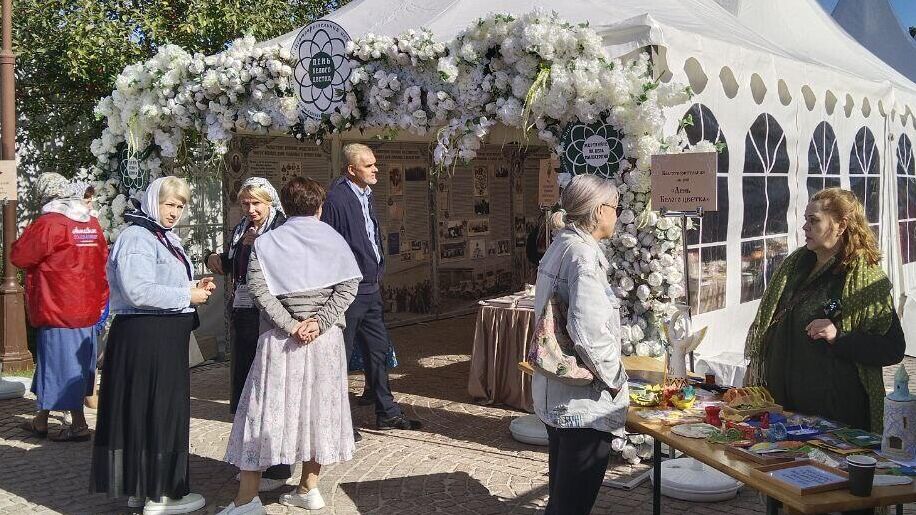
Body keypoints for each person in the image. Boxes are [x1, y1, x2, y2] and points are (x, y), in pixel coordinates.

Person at [219, 177, 361, 515]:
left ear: (284, 203)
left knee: (262, 412)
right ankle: (308, 488)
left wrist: (291, 324)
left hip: (280, 342)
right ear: (319, 206)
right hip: (324, 343)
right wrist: (320, 321)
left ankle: (246, 500)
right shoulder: (334, 239)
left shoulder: (267, 243)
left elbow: (258, 290)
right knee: (319, 411)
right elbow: (349, 286)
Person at [90, 176, 215, 515]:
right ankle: (161, 494)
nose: (174, 211)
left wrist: (191, 285)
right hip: (147, 336)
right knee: (156, 412)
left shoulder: (160, 236)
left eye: (180, 205)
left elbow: (157, 284)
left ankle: (144, 488)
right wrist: (187, 295)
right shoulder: (138, 236)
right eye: (169, 204)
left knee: (152, 411)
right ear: (152, 201)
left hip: (159, 335)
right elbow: (137, 291)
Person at [745, 187, 905, 432]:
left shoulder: (864, 278)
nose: (805, 228)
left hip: (834, 415)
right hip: (785, 409)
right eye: (805, 220)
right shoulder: (795, 266)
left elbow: (892, 349)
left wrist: (839, 337)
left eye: (814, 220)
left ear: (841, 225)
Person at [532, 174, 628, 515]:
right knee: (572, 503)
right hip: (580, 401)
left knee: (562, 497)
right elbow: (587, 330)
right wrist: (615, 378)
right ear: (600, 211)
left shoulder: (563, 243)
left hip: (557, 392)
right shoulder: (582, 256)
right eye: (616, 208)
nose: (617, 215)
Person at [321, 143, 421, 434]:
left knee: (378, 351)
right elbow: (330, 243)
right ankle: (338, 421)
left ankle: (386, 412)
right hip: (348, 291)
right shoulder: (336, 198)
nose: (376, 169)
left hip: (370, 288)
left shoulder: (365, 193)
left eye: (375, 164)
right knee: (340, 356)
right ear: (352, 170)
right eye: (369, 165)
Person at [205, 177, 290, 491]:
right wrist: (216, 260)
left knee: (269, 392)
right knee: (246, 391)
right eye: (246, 204)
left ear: (269, 202)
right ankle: (253, 462)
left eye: (257, 203)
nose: (251, 209)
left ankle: (277, 468)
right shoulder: (241, 228)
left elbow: (288, 268)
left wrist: (262, 245)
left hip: (270, 317)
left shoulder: (280, 227)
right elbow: (234, 264)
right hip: (243, 316)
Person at [11, 172, 109, 442]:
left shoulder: (49, 224)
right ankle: (41, 420)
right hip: (87, 305)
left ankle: (78, 424)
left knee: (60, 363)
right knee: (67, 362)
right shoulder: (90, 223)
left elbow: (20, 255)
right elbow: (103, 258)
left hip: (58, 304)